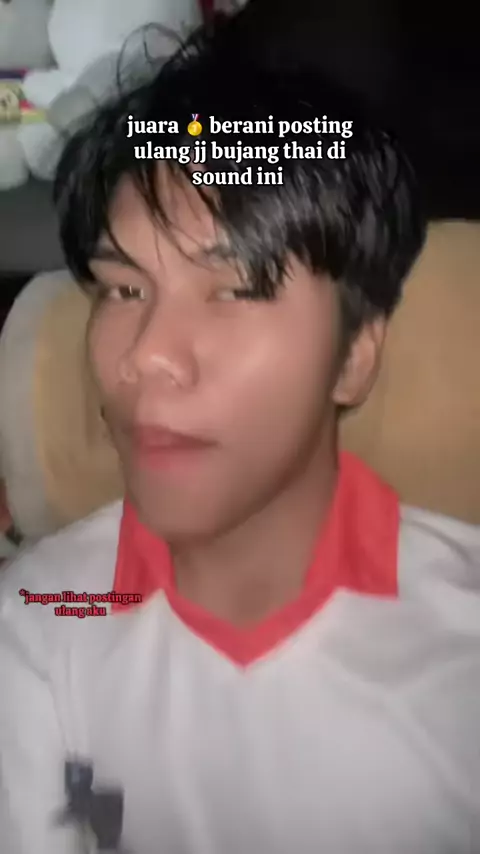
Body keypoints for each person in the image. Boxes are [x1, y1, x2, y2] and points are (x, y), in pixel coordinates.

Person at [1, 14, 479, 854]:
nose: (146, 357)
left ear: (353, 357)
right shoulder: (35, 624)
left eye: (235, 291)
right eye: (122, 291)